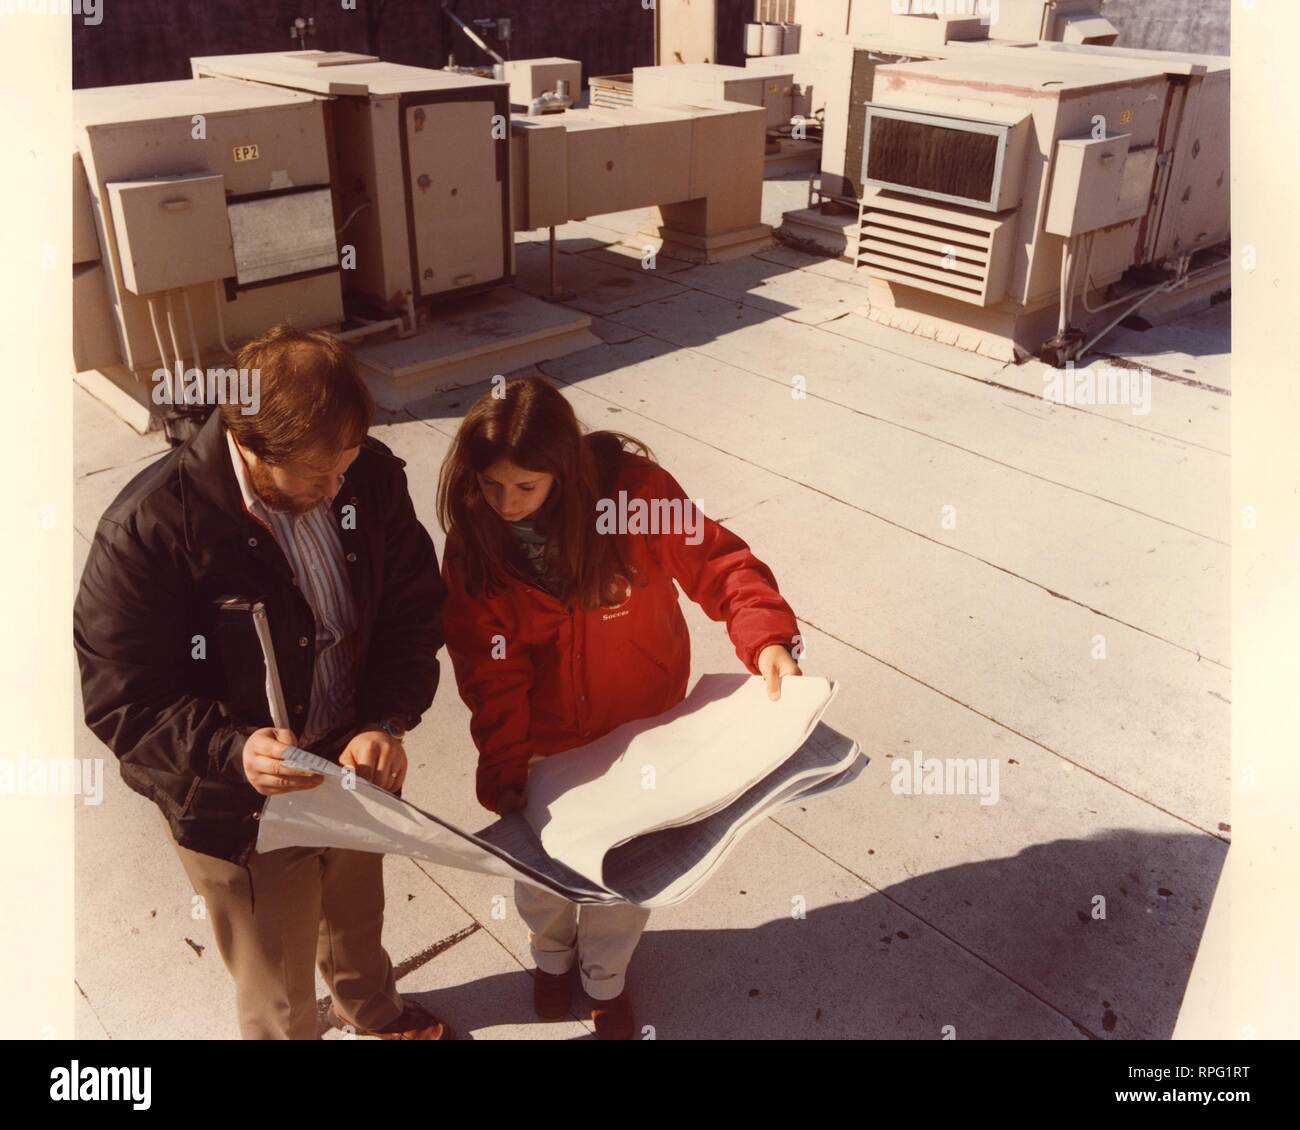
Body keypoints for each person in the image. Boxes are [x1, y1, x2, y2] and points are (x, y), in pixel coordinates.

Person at [74, 325, 450, 1040]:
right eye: (317, 475)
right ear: (251, 444)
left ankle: (371, 1010)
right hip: (237, 807)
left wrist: (386, 719)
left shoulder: (367, 476)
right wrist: (231, 751)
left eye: (346, 463)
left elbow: (412, 609)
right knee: (276, 984)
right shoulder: (149, 529)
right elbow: (123, 696)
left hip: (348, 765)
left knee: (355, 917)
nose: (338, 487)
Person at [437, 375, 803, 1039]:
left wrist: (766, 634)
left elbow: (718, 565)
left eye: (526, 486)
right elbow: (488, 666)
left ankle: (605, 973)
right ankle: (551, 955)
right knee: (541, 869)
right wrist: (506, 757)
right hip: (547, 737)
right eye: (492, 487)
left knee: (624, 867)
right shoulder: (476, 542)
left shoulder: (637, 496)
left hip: (640, 724)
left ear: (565, 470)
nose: (507, 504)